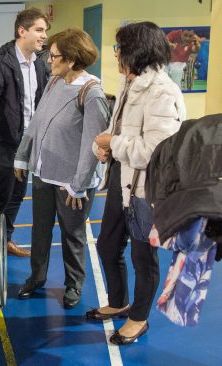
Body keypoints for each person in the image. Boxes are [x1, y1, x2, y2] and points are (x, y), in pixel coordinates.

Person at [88, 21, 186, 345]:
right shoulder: (129, 83)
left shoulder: (162, 92)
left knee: (143, 257)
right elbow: (117, 130)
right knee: (107, 245)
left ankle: (138, 319)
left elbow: (156, 153)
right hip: (121, 177)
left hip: (148, 188)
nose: (116, 54)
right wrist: (103, 147)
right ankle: (119, 301)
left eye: (119, 48)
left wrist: (112, 142)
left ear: (135, 51)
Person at [14, 28, 110, 309]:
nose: (48, 60)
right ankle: (37, 276)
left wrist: (78, 184)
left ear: (71, 59)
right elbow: (37, 121)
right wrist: (23, 156)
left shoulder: (91, 94)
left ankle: (73, 284)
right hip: (44, 173)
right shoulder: (55, 82)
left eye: (54, 56)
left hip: (72, 183)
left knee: (73, 235)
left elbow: (94, 146)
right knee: (40, 229)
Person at [0, 8, 50, 257]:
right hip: (5, 143)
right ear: (22, 31)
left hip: (28, 141)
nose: (44, 36)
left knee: (17, 194)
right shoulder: (2, 64)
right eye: (39, 30)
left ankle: (5, 239)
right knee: (2, 196)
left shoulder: (38, 64)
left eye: (45, 31)